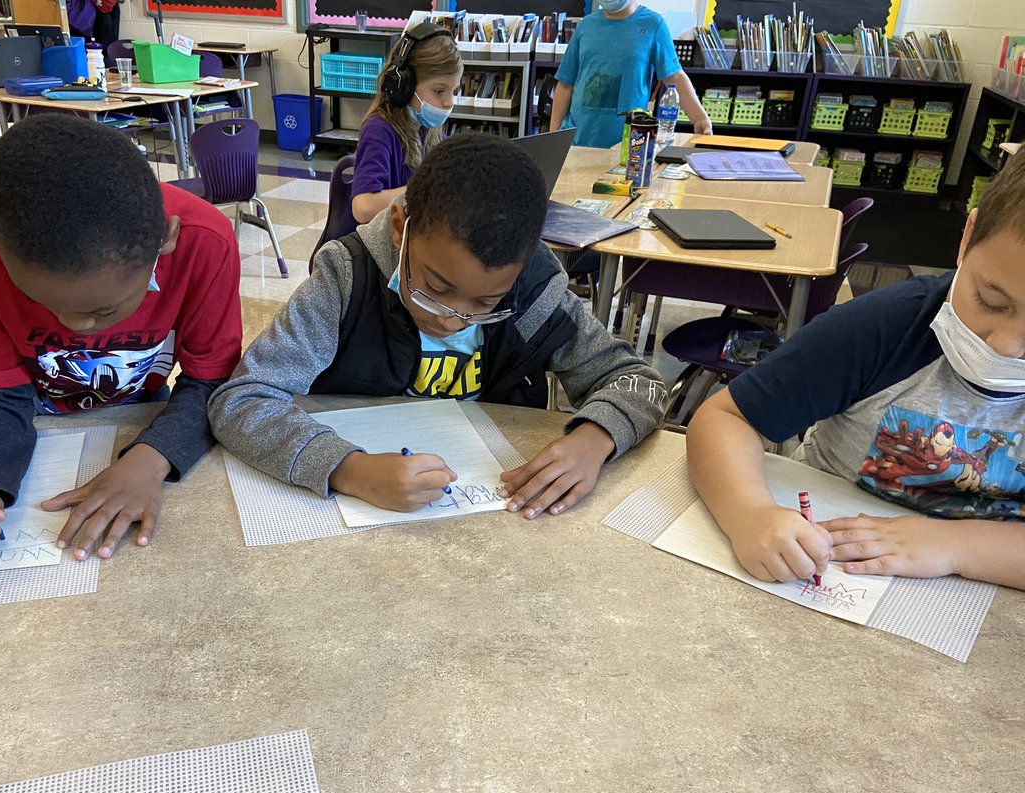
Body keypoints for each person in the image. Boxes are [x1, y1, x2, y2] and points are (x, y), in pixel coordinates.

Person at [209, 133, 666, 518]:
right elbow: (242, 399)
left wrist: (595, 438)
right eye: (436, 287)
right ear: (398, 227)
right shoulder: (347, 279)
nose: (452, 317)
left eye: (488, 302)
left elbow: (638, 383)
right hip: (357, 506)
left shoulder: (536, 292)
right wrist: (347, 468)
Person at [686, 150, 1025, 591]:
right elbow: (726, 418)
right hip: (829, 565)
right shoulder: (885, 327)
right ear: (968, 236)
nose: (1005, 346)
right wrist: (750, 513)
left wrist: (957, 546)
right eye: (991, 301)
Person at [0, 115, 243, 561]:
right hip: (35, 420)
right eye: (39, 300)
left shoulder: (203, 240)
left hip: (145, 413)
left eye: (103, 310)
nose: (75, 326)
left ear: (164, 242)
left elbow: (212, 381)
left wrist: (151, 459)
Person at [549, 0, 710, 148]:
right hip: (577, 143)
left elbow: (674, 76)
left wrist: (699, 118)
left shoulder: (653, 25)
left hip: (627, 147)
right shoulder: (586, 26)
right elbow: (565, 84)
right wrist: (553, 136)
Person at [348, 22, 462, 230]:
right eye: (439, 91)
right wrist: (423, 189)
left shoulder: (427, 128)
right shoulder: (380, 131)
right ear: (403, 86)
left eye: (455, 91)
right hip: (388, 245)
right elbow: (363, 207)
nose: (449, 102)